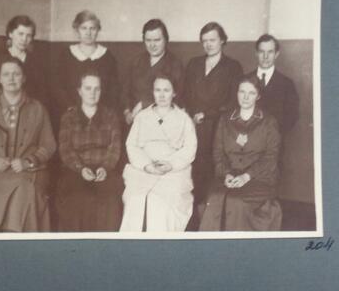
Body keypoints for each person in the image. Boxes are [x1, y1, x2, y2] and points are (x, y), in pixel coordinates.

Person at [0, 57, 56, 232]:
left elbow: (49, 145)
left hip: (29, 172)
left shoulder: (38, 109)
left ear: (24, 78)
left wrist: (28, 161)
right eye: (6, 74)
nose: (11, 78)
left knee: (24, 192)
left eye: (16, 74)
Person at [181, 22, 243, 229]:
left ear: (222, 40)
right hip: (193, 126)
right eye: (204, 41)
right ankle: (189, 215)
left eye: (213, 40)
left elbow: (233, 101)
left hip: (218, 128)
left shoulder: (232, 67)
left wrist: (207, 114)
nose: (208, 44)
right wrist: (191, 114)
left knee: (211, 170)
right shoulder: (194, 64)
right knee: (191, 169)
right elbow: (184, 94)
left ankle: (208, 218)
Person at [200, 75, 282, 231]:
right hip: (229, 176)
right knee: (214, 198)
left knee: (235, 201)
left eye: (251, 93)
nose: (245, 97)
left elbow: (271, 157)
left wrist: (246, 176)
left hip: (259, 178)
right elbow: (218, 153)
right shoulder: (225, 120)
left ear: (258, 96)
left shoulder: (269, 121)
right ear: (236, 93)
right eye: (242, 91)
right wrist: (226, 174)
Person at [120, 75, 197, 232]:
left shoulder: (183, 119)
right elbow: (132, 145)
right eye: (158, 90)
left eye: (166, 90)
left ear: (174, 93)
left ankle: (160, 245)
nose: (162, 95)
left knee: (159, 202)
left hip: (173, 173)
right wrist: (147, 165)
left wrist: (171, 164)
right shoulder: (142, 116)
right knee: (136, 200)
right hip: (143, 170)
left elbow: (190, 148)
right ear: (153, 92)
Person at [55, 71, 124, 232]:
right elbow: (66, 149)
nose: (92, 93)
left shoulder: (110, 116)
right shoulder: (69, 117)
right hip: (76, 170)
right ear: (79, 91)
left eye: (96, 89)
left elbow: (115, 147)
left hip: (104, 170)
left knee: (109, 199)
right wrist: (80, 169)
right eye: (88, 88)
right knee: (77, 198)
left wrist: (105, 168)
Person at [53, 10, 120, 117]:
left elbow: (113, 90)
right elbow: (58, 87)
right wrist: (70, 108)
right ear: (77, 30)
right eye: (84, 28)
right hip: (71, 113)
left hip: (101, 115)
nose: (88, 33)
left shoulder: (107, 56)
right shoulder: (66, 55)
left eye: (92, 28)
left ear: (98, 30)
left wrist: (102, 112)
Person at [120, 19, 184, 125]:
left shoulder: (175, 64)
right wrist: (127, 112)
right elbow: (125, 92)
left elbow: (177, 98)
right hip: (135, 119)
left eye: (157, 40)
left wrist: (143, 104)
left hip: (162, 120)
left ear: (166, 39)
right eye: (148, 40)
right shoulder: (136, 61)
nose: (152, 45)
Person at [0, 15, 47, 104]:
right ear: (10, 34)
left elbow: (42, 94)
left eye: (29, 35)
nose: (24, 39)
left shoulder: (36, 62)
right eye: (20, 34)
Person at [249, 34, 299, 139]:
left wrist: (273, 135)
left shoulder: (287, 84)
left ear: (276, 54)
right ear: (256, 53)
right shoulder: (244, 80)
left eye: (270, 52)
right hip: (248, 142)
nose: (265, 56)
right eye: (262, 52)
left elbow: (292, 116)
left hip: (274, 142)